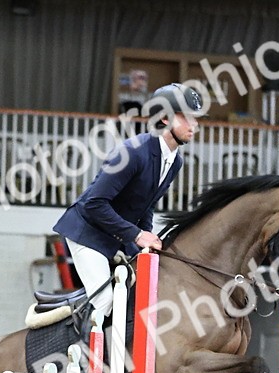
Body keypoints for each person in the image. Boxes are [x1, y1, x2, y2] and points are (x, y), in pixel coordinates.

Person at [53, 83, 205, 320]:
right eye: (186, 117)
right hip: (87, 233)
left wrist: (146, 236)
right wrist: (137, 235)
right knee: (105, 303)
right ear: (164, 118)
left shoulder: (175, 161)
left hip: (116, 236)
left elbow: (147, 205)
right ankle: (81, 344)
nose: (194, 124)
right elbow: (95, 204)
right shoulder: (133, 152)